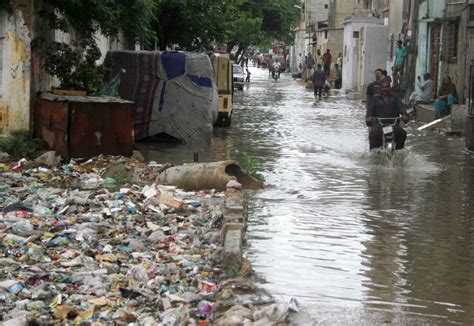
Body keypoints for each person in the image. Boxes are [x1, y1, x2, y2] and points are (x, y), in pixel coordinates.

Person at [366, 80, 409, 150]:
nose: (385, 89)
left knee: (402, 133)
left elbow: (401, 107)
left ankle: (399, 152)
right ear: (380, 88)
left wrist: (404, 115)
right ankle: (373, 155)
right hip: (379, 126)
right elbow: (370, 110)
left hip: (393, 125)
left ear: (390, 87)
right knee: (373, 135)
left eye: (387, 87)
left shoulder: (395, 97)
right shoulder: (375, 98)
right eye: (383, 87)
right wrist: (369, 118)